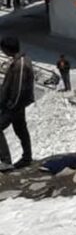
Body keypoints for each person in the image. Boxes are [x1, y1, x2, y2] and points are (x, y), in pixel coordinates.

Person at [0, 36, 35, 171]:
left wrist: (11, 104)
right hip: (15, 105)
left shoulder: (20, 64)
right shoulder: (20, 61)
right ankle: (27, 157)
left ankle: (6, 161)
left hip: (14, 105)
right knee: (20, 129)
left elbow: (19, 87)